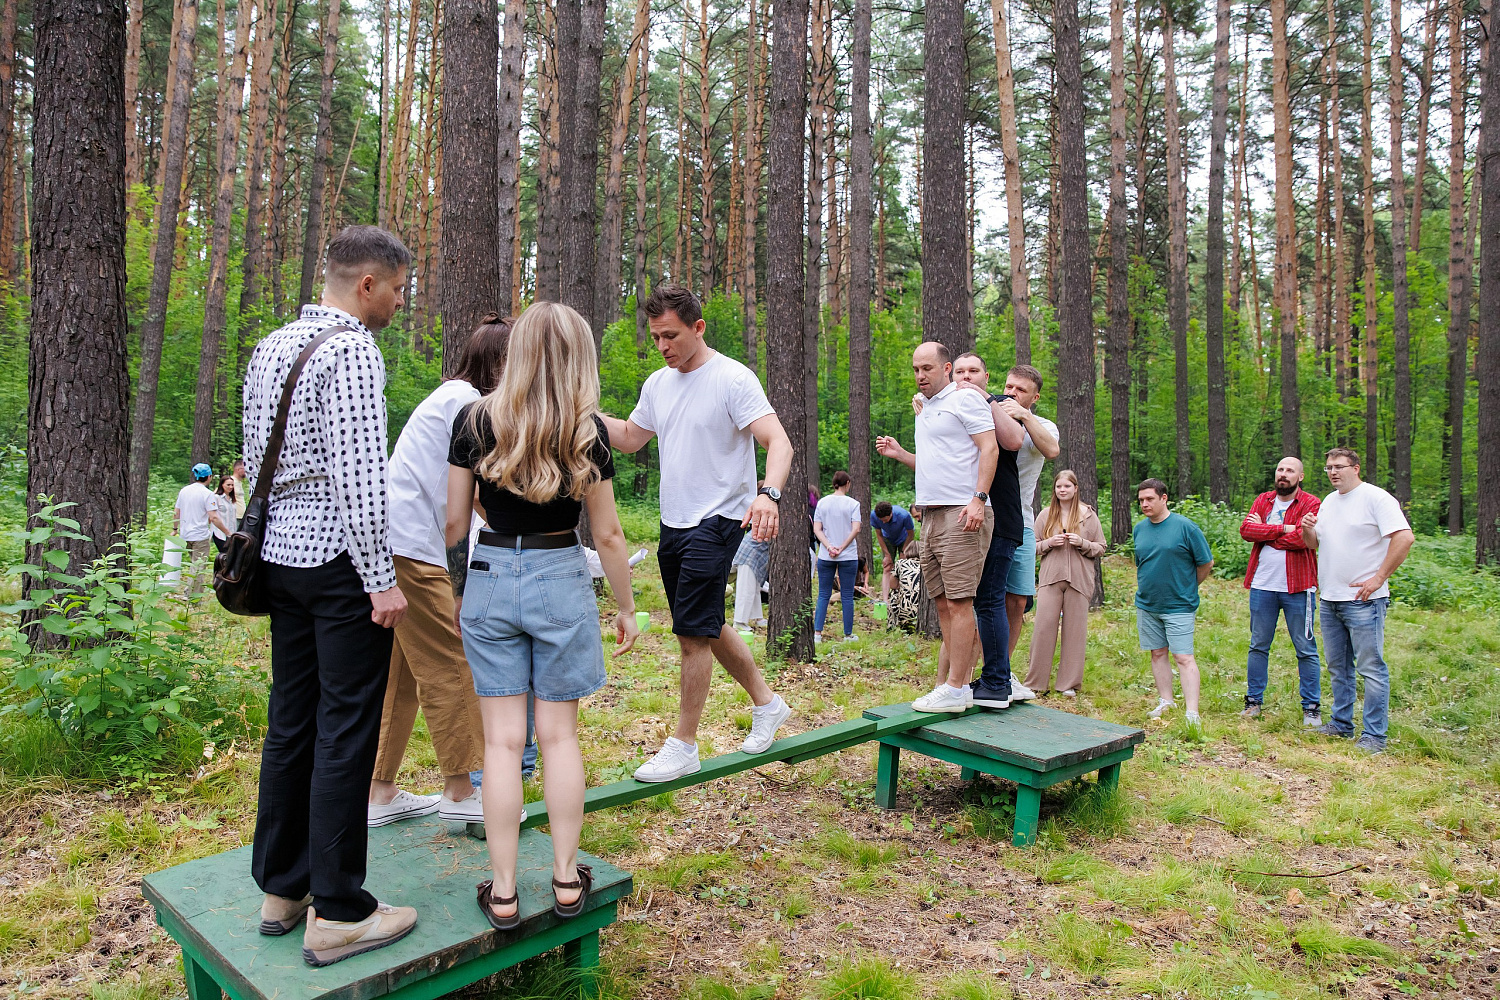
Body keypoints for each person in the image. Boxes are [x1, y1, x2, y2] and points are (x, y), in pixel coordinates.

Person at [242, 225, 416, 966]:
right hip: (339, 564)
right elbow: (360, 477)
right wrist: (380, 578)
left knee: (292, 719)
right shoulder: (352, 352)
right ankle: (341, 910)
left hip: (278, 555)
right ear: (366, 285)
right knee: (347, 727)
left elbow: (255, 455)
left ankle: (283, 887)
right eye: (399, 291)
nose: (400, 306)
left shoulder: (273, 345)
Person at [446, 301, 638, 930]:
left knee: (502, 743)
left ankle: (502, 892)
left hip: (493, 574)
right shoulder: (589, 431)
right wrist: (628, 608)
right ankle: (563, 880)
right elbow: (608, 536)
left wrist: (459, 590)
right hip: (561, 573)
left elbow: (453, 522)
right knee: (559, 738)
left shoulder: (476, 419)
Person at [601, 284, 795, 782]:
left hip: (720, 518)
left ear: (698, 327)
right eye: (656, 337)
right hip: (675, 521)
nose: (663, 346)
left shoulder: (732, 378)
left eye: (671, 336)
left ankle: (684, 743)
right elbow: (628, 439)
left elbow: (778, 440)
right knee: (703, 622)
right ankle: (768, 704)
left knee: (690, 634)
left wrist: (767, 494)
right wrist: (580, 413)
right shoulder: (658, 384)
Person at [368, 314, 517, 830]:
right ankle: (462, 788)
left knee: (403, 673)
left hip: (399, 543)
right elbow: (474, 499)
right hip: (412, 548)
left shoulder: (451, 398)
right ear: (501, 363)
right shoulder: (466, 406)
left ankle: (378, 792)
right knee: (452, 662)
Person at [876, 342, 999, 713]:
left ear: (947, 368)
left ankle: (957, 687)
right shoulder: (926, 409)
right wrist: (900, 454)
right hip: (929, 516)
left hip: (962, 512)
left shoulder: (965, 400)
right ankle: (954, 685)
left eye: (927, 368)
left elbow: (989, 448)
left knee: (961, 601)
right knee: (943, 602)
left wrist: (979, 498)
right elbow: (936, 463)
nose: (920, 375)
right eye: (916, 369)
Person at [1300, 447, 1414, 755]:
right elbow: (1314, 545)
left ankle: (1375, 736)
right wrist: (1307, 530)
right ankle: (1341, 723)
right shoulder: (1329, 502)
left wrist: (1378, 578)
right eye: (1328, 468)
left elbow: (1404, 537)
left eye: (1339, 466)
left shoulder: (1376, 498)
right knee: (1339, 667)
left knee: (1371, 668)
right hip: (1330, 597)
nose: (1333, 472)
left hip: (1364, 600)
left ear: (1356, 468)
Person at [1239, 457, 1322, 727]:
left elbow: (1305, 538)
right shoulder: (1263, 499)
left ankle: (1311, 707)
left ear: (1301, 476)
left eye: (1290, 471)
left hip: (1299, 586)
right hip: (1263, 585)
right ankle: (1253, 702)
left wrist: (1268, 532)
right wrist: (1284, 528)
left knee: (1305, 648)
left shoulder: (1311, 503)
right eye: (1280, 470)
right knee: (1258, 644)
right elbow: (1247, 530)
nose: (1283, 475)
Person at [1132, 479, 1213, 726]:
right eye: (1141, 500)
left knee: (1183, 657)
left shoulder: (1185, 527)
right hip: (1148, 604)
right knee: (1157, 653)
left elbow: (1205, 563)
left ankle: (1192, 713)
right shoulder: (1139, 529)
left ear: (1164, 498)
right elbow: (1142, 562)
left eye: (1150, 499)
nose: (1145, 504)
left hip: (1179, 605)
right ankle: (1166, 701)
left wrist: (1187, 587)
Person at [994, 365, 1059, 659]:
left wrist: (1025, 416)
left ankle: (1002, 670)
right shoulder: (989, 415)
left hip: (1022, 521)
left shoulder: (1042, 424)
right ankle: (972, 672)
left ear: (1035, 397)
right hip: (986, 516)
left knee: (1018, 600)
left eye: (1021, 390)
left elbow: (1052, 450)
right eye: (1009, 387)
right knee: (983, 599)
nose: (1011, 393)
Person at [1024, 470, 1106, 697]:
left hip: (1079, 580)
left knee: (1075, 631)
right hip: (1051, 578)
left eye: (1067, 486)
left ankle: (1068, 684)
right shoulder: (1046, 515)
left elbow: (1101, 546)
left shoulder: (1088, 515)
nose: (1062, 490)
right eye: (1059, 486)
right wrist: (1049, 543)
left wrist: (1083, 543)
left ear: (1075, 488)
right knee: (1043, 629)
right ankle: (1035, 683)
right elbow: (1032, 547)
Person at [813, 471, 862, 642]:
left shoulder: (822, 503)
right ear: (847, 483)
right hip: (848, 555)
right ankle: (848, 634)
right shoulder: (853, 504)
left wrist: (828, 546)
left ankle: (817, 634)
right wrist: (842, 547)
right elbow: (856, 528)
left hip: (827, 555)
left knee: (823, 594)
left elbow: (817, 529)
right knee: (847, 594)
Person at [174, 463, 231, 597]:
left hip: (185, 535)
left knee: (193, 565)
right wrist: (227, 532)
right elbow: (214, 517)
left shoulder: (184, 490)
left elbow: (176, 512)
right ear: (209, 476)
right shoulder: (207, 494)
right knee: (198, 567)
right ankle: (193, 598)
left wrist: (175, 529)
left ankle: (189, 593)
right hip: (200, 536)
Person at [870, 501, 917, 602]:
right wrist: (887, 554)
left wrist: (904, 551)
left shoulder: (903, 515)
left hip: (903, 539)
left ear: (890, 513)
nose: (883, 522)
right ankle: (885, 600)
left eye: (885, 519)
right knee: (887, 566)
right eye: (881, 520)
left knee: (903, 565)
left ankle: (904, 596)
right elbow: (879, 535)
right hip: (887, 538)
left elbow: (911, 534)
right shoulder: (874, 516)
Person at [731, 530, 770, 629]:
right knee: (746, 590)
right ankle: (739, 622)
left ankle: (757, 618)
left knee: (754, 588)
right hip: (749, 554)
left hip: (756, 554)